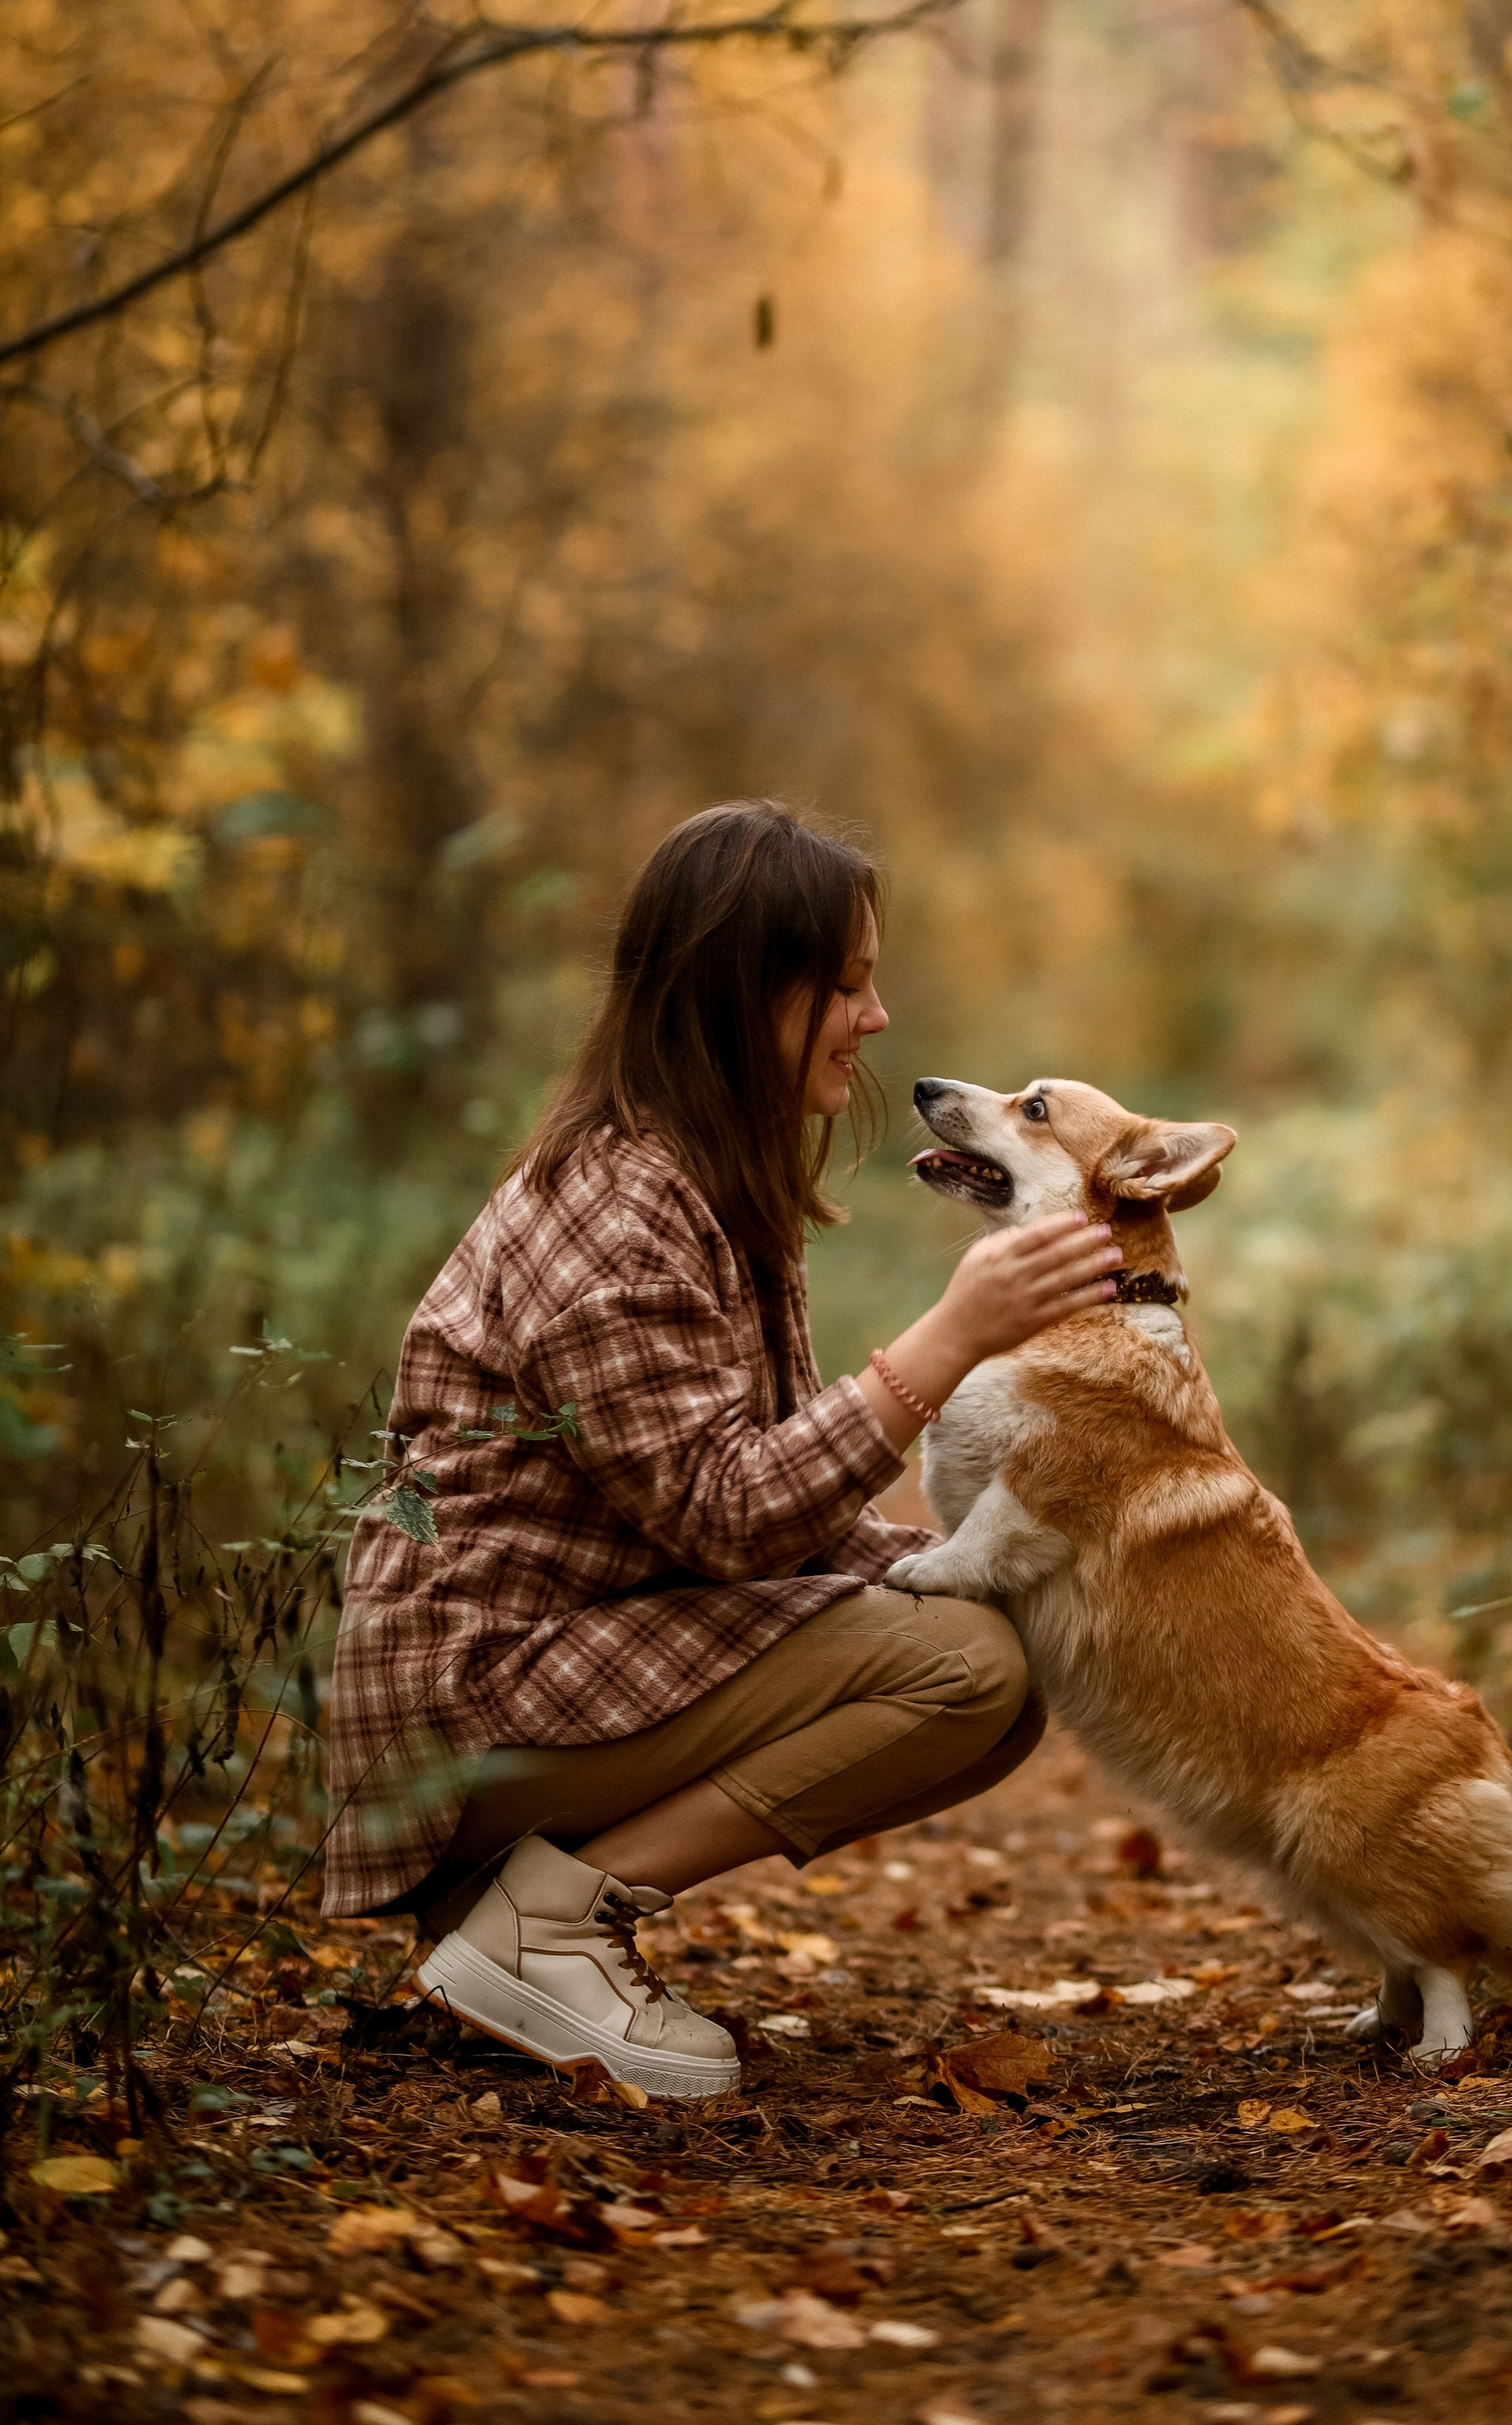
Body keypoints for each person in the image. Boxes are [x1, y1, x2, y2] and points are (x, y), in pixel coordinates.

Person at [322, 799, 1123, 2094]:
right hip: (477, 1700)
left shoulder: (703, 1175)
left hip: (589, 1650)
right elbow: (724, 1516)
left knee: (996, 1644)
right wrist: (950, 1338)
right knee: (965, 1670)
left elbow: (769, 1495)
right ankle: (543, 1925)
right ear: (745, 994)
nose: (876, 1017)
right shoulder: (620, 1209)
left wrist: (948, 1557)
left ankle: (533, 1913)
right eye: (847, 985)